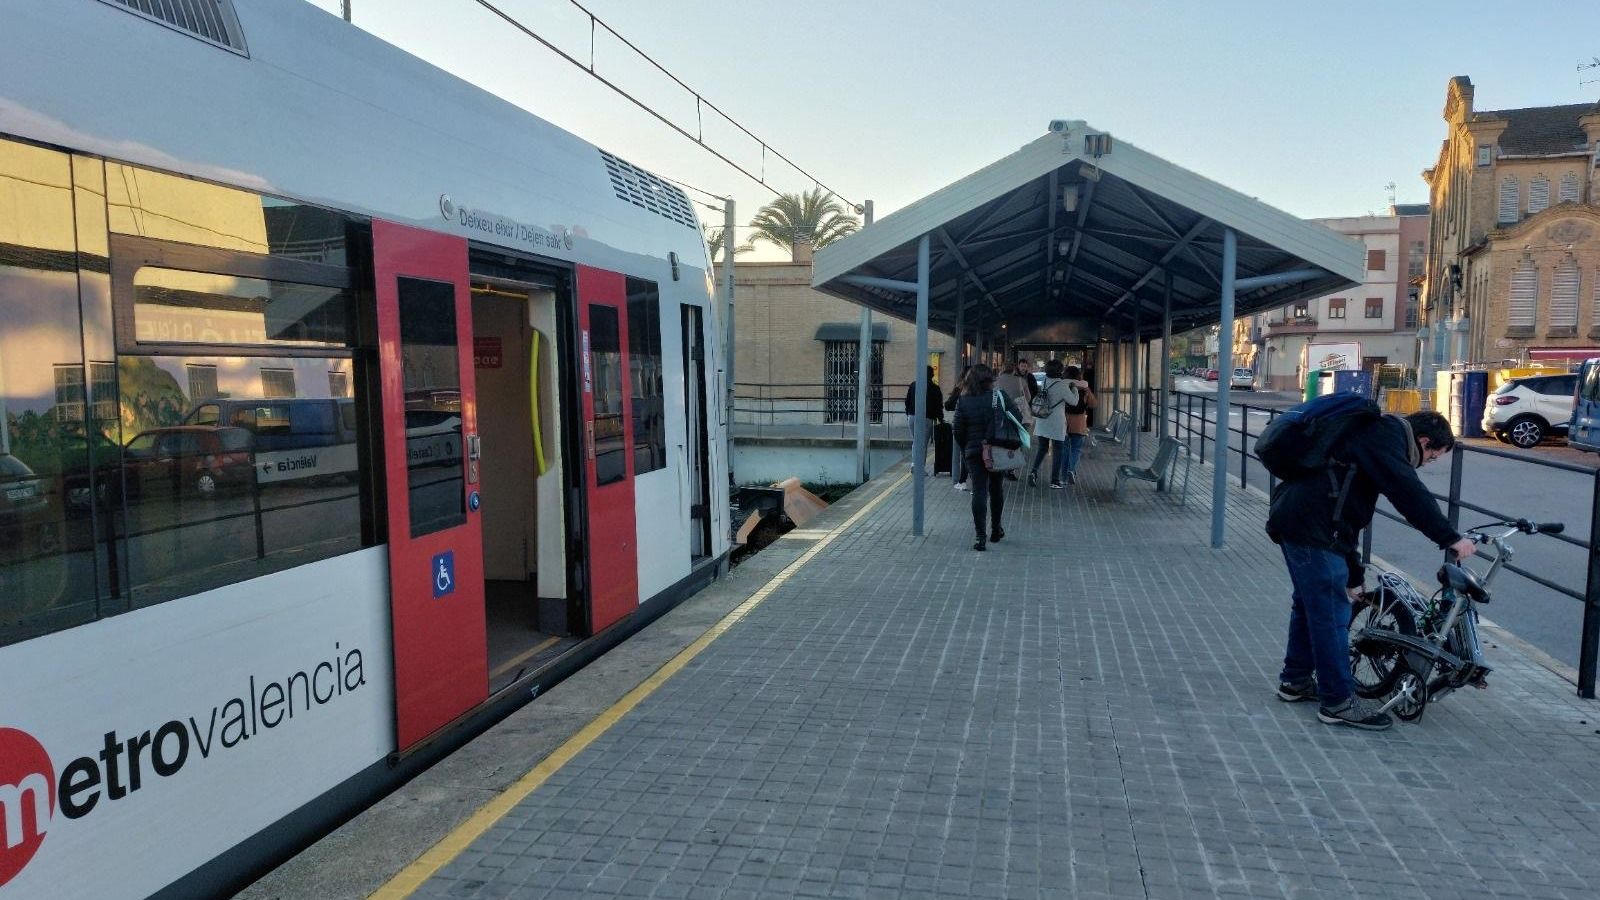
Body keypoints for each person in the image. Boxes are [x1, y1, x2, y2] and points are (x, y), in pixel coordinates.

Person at [1267, 409, 1476, 731]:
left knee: (1310, 606)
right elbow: (1408, 492)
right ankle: (1337, 702)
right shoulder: (1385, 438)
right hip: (1311, 530)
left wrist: (1353, 575)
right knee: (1331, 616)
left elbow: (1346, 512)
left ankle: (1295, 682)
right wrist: (1449, 537)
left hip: (1303, 523)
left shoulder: (1373, 436)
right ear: (1422, 441)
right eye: (1432, 457)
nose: (1426, 463)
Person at [952, 364, 1022, 551]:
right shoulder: (999, 396)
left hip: (974, 451)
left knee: (979, 490)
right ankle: (996, 529)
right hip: (997, 449)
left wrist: (966, 447)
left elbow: (957, 429)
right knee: (996, 488)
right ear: (990, 378)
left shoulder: (964, 400)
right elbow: (1018, 417)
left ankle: (979, 537)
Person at [1027, 359, 1080, 488]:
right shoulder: (1062, 385)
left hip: (1042, 420)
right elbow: (1074, 402)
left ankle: (1033, 472)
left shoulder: (1044, 381)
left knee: (1042, 448)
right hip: (1056, 421)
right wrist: (1075, 389)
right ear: (1060, 371)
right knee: (1058, 450)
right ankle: (1054, 481)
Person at [993, 360, 1036, 481]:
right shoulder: (1020, 381)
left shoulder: (995, 381)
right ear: (1013, 369)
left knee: (1000, 439)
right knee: (1016, 440)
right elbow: (1028, 398)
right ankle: (1010, 468)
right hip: (1017, 415)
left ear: (1002, 368)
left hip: (1000, 415)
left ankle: (999, 464)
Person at [1060, 365, 1095, 484]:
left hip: (1064, 422)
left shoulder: (1063, 386)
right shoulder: (1084, 388)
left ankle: (1063, 477)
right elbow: (1093, 404)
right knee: (1076, 448)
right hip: (1079, 423)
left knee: (1064, 450)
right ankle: (1071, 469)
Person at [945, 365, 975, 491]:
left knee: (965, 455)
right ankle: (970, 480)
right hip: (978, 427)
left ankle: (964, 481)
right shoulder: (981, 389)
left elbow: (948, 405)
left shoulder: (960, 388)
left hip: (963, 426)